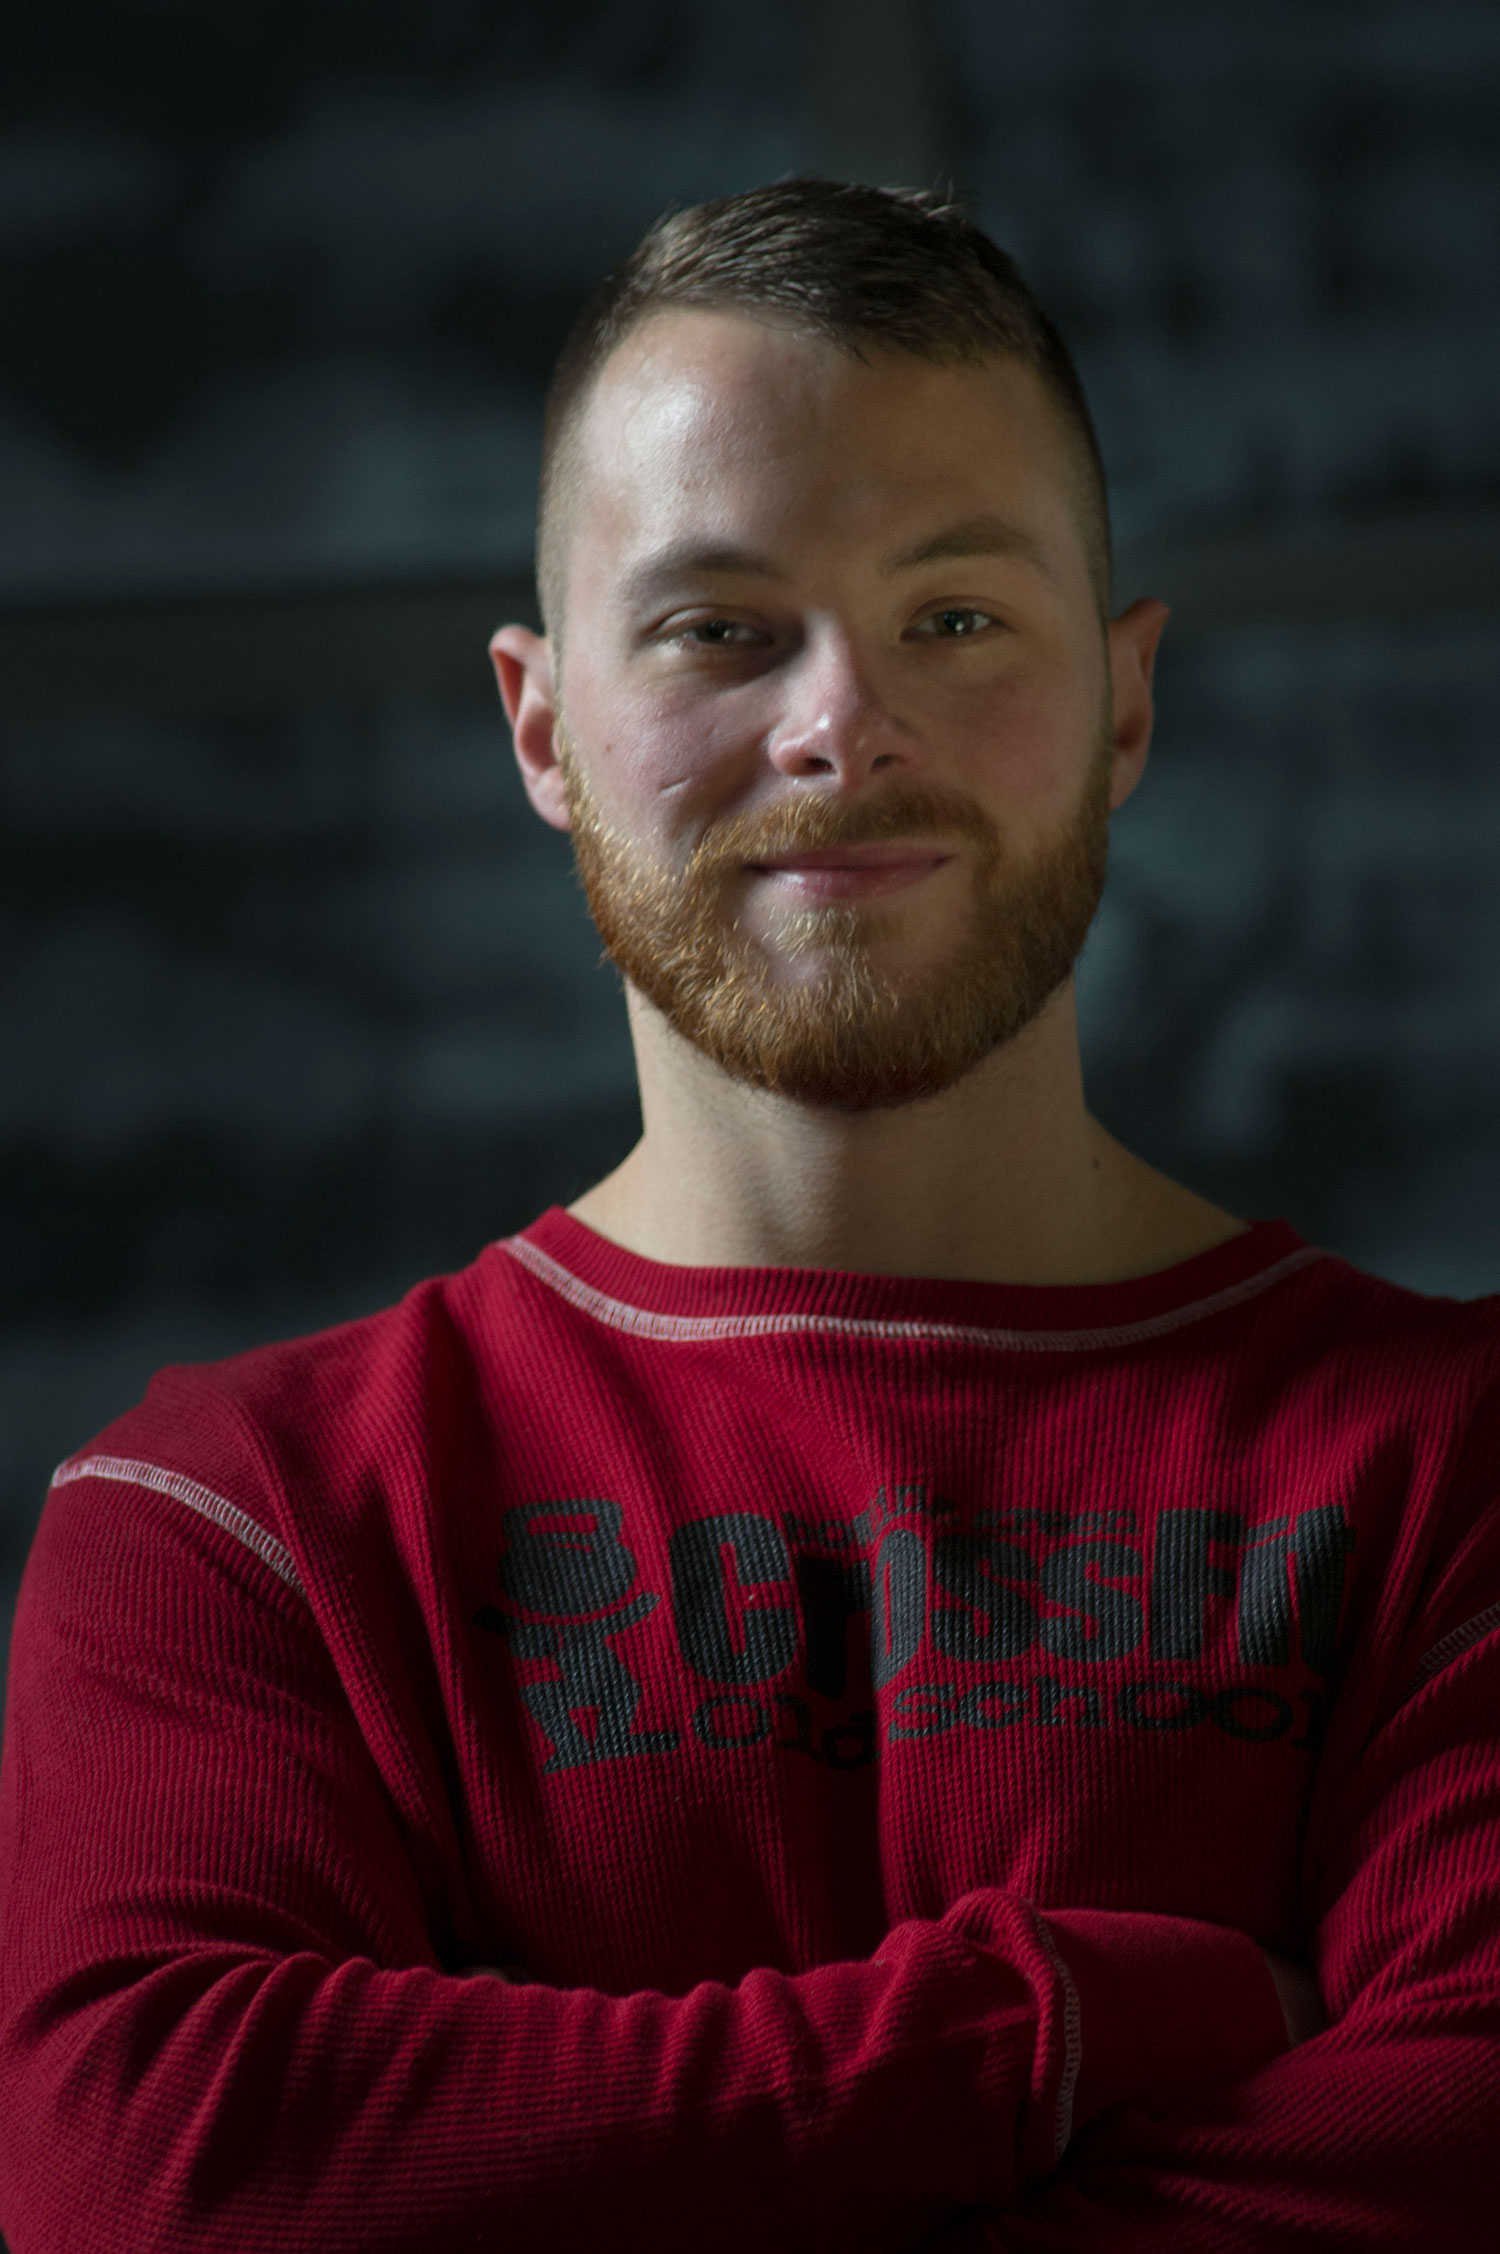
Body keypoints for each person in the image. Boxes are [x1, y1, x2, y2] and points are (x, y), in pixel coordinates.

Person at [0, 179, 1496, 2254]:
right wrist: (1044, 2028)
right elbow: (153, 2178)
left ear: (1127, 703)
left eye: (954, 617)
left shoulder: (1460, 1468)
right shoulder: (236, 1525)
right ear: (543, 724)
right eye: (720, 626)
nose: (837, 724)